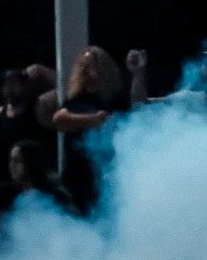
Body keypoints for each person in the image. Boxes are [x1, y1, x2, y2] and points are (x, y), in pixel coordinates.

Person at [52, 46, 147, 212]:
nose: (84, 71)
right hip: (78, 180)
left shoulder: (115, 100)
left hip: (108, 178)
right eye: (82, 66)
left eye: (89, 65)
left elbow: (138, 110)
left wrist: (137, 74)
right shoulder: (77, 100)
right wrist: (94, 120)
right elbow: (59, 119)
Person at [0, 139, 78, 214]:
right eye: (11, 160)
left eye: (18, 161)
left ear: (31, 163)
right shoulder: (12, 196)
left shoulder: (55, 196)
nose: (12, 165)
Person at [0, 69, 52, 157]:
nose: (9, 89)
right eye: (6, 84)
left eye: (14, 84)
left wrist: (43, 71)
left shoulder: (38, 109)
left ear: (25, 86)